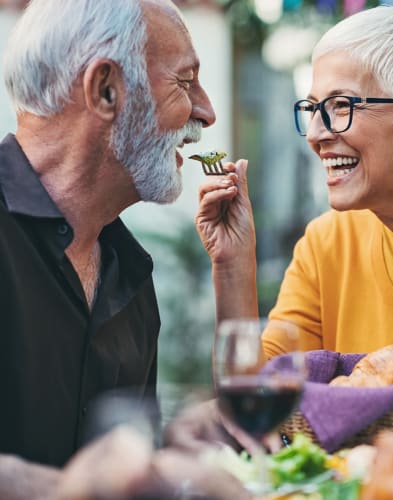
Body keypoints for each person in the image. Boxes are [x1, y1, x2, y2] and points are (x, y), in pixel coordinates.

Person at [0, 0, 251, 498]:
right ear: (106, 89)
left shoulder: (129, 273)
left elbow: (120, 463)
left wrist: (164, 454)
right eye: (185, 81)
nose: (206, 110)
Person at [196, 6, 393, 365]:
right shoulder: (328, 245)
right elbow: (259, 401)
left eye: (341, 105)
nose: (315, 134)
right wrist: (232, 266)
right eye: (312, 109)